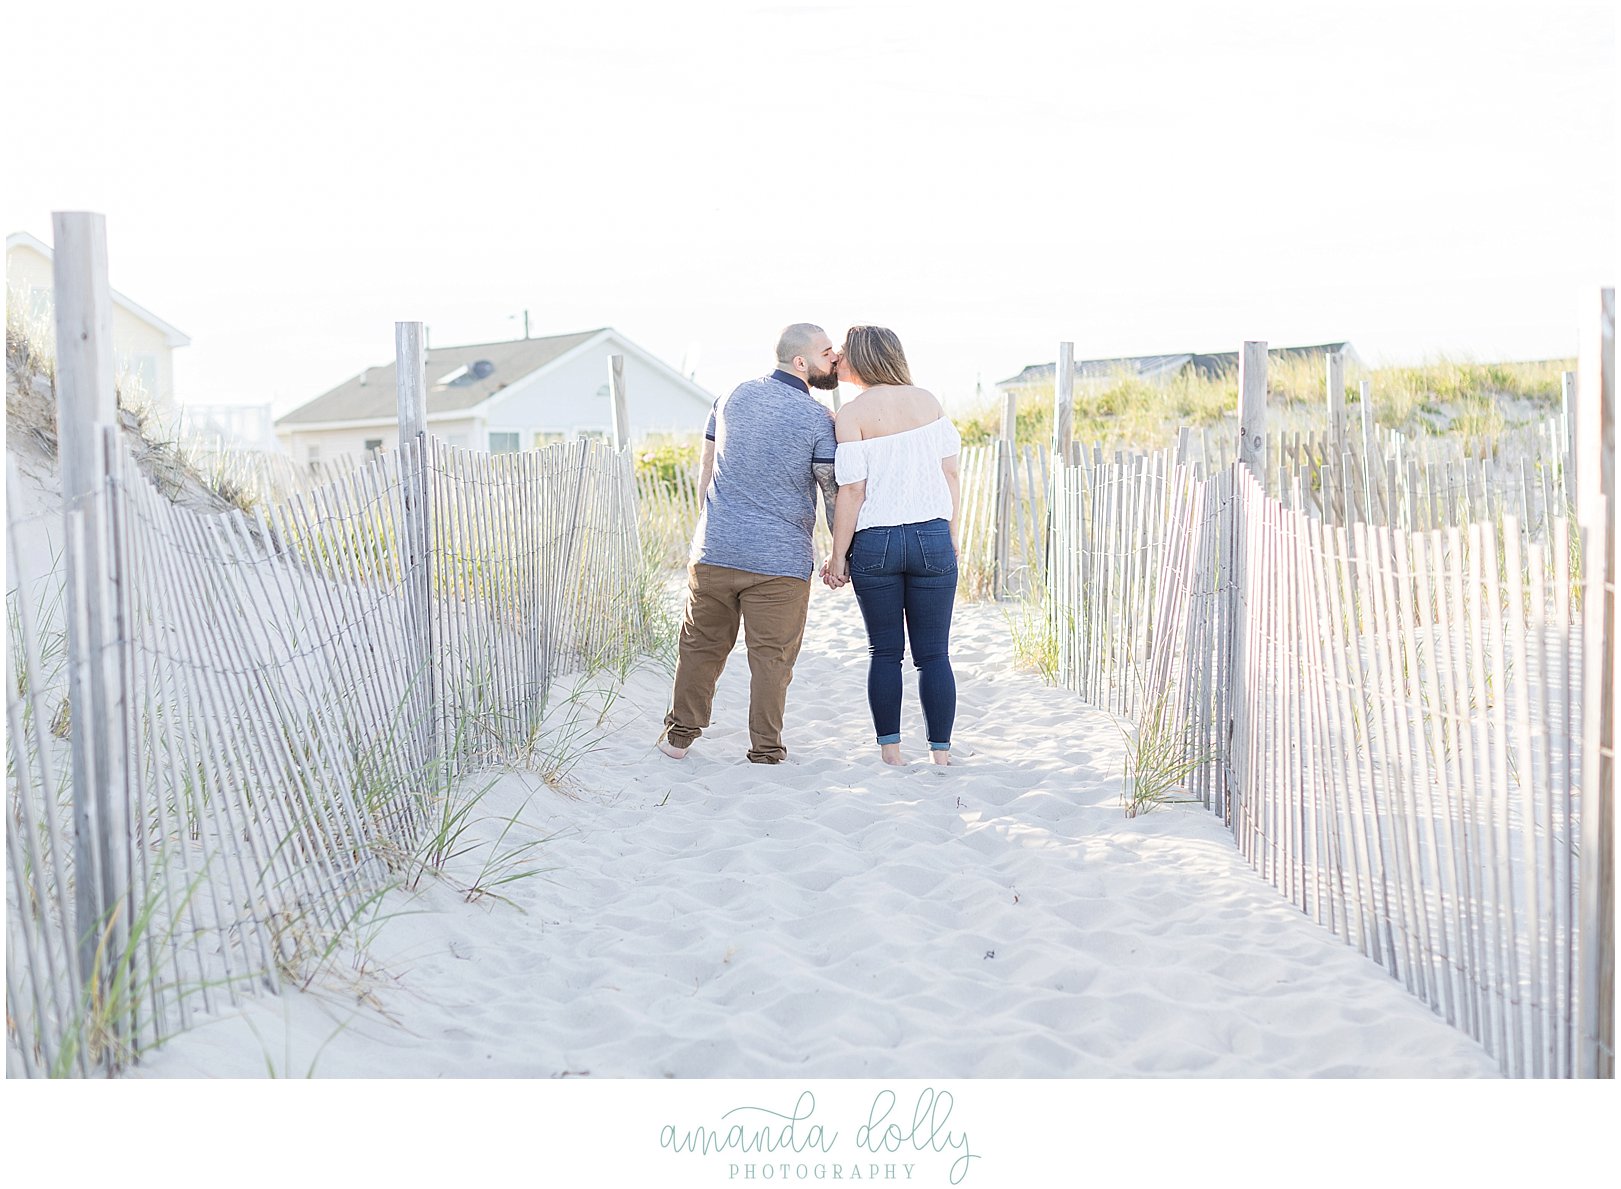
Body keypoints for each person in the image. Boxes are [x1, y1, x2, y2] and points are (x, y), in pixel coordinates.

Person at [658, 324, 841, 764]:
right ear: (801, 362)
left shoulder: (730, 397)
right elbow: (832, 490)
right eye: (827, 352)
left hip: (715, 550)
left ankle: (678, 738)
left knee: (700, 647)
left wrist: (710, 527)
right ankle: (765, 750)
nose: (834, 358)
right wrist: (842, 551)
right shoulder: (818, 419)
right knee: (771, 659)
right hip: (779, 562)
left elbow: (707, 468)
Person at [823, 325, 961, 767]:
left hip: (877, 542)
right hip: (931, 536)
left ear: (861, 358)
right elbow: (951, 475)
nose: (838, 360)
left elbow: (852, 492)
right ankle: (941, 757)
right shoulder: (929, 402)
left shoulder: (851, 414)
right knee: (934, 653)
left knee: (884, 652)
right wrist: (950, 534)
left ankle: (892, 755)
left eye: (843, 354)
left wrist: (837, 556)